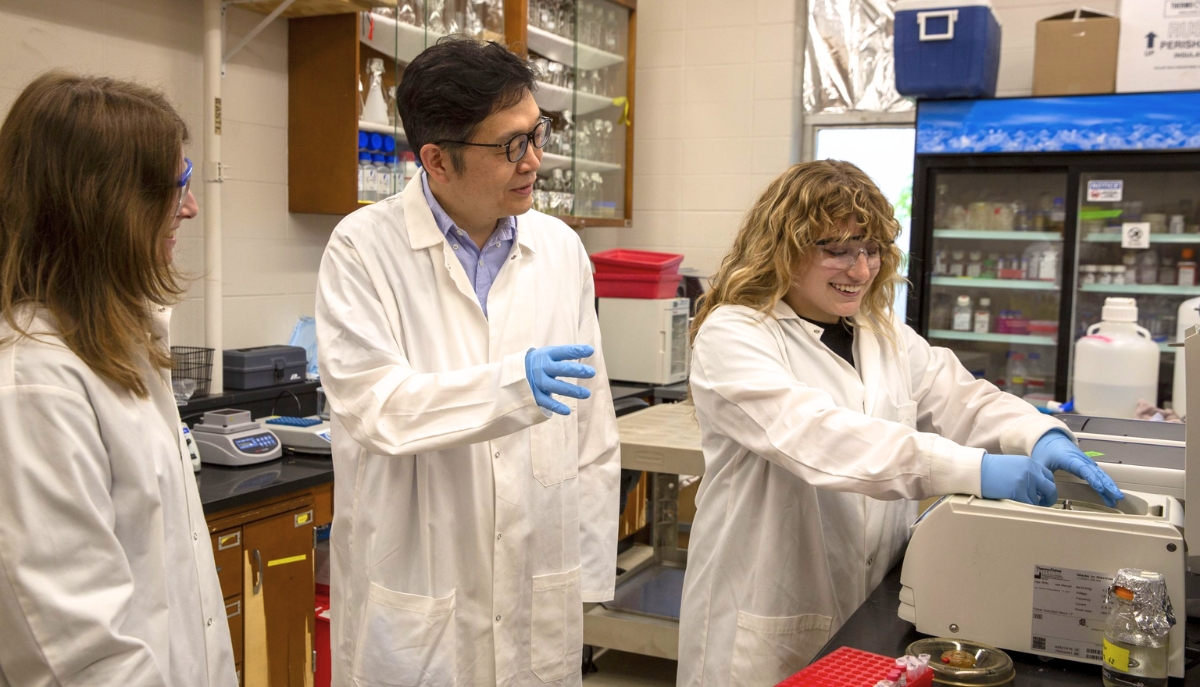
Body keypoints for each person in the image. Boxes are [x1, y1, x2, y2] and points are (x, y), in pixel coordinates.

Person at [676, 160, 1122, 687]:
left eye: (870, 248)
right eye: (836, 249)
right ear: (782, 247)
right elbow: (820, 437)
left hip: (869, 609)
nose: (861, 270)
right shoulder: (735, 334)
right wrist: (976, 468)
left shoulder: (881, 332)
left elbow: (962, 397)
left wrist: (1038, 434)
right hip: (764, 615)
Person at [315, 37, 620, 687]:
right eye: (512, 144)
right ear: (436, 160)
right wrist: (511, 386)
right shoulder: (363, 250)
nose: (535, 159)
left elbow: (594, 429)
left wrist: (587, 576)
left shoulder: (561, 249)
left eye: (538, 133)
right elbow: (378, 406)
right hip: (419, 589)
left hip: (540, 583)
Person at [0, 73, 236, 686]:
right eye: (176, 185)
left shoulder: (118, 345)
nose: (190, 206)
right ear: (103, 203)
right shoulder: (34, 382)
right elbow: (76, 653)